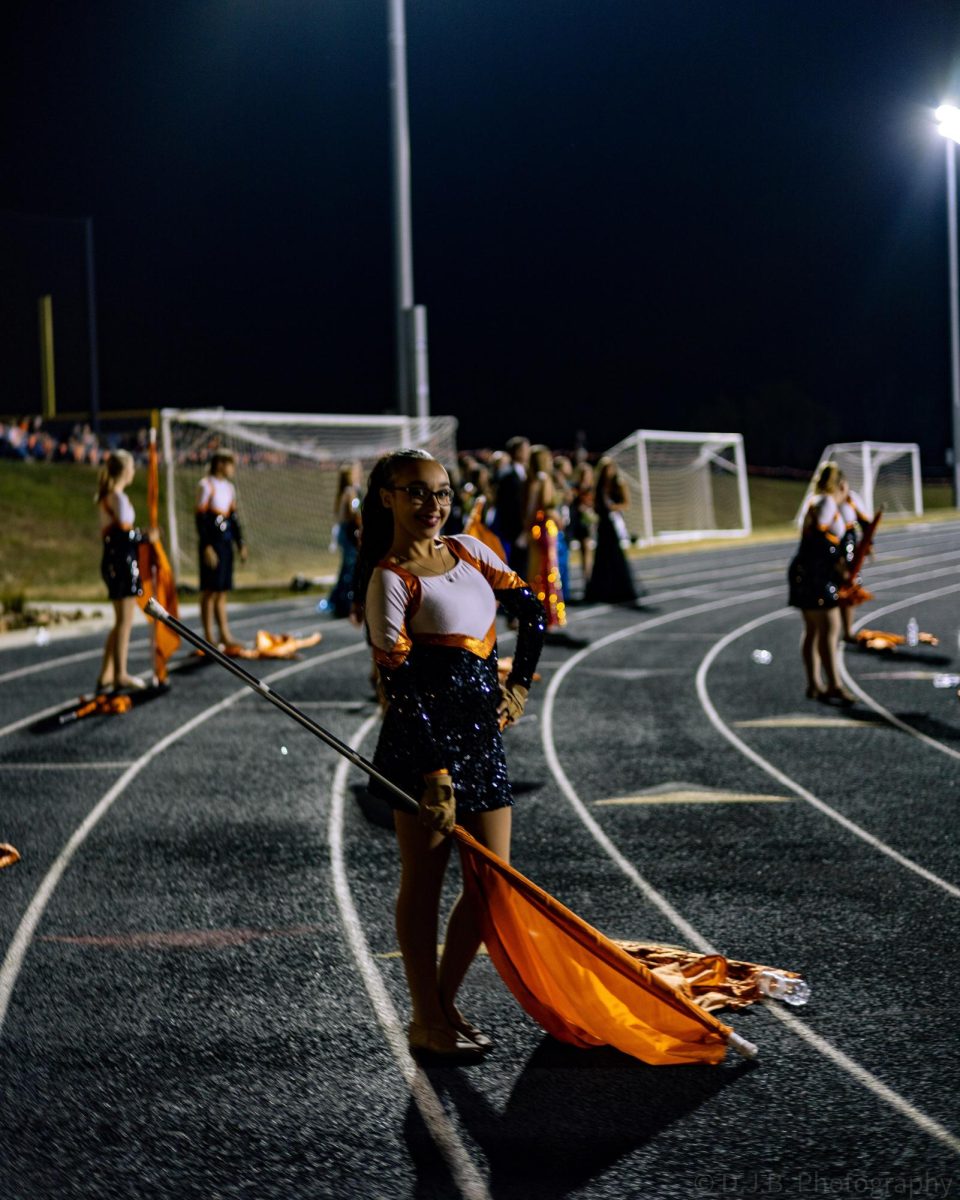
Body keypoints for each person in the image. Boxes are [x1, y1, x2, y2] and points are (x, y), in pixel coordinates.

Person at [356, 449, 545, 1061]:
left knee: (494, 885)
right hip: (422, 747)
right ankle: (425, 1017)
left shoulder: (470, 551)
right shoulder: (389, 578)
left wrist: (518, 686)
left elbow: (534, 614)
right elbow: (403, 691)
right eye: (416, 492)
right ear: (387, 496)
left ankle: (439, 1003)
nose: (433, 505)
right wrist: (435, 772)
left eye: (441, 492)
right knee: (426, 880)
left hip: (482, 742)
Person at [787, 462, 856, 704]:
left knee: (812, 630)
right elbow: (820, 541)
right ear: (842, 485)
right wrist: (840, 567)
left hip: (804, 572)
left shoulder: (813, 501)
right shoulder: (828, 503)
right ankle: (834, 685)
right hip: (818, 575)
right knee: (830, 631)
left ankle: (814, 684)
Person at [95, 450, 154, 692]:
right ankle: (120, 674)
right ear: (124, 471)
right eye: (132, 467)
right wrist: (146, 536)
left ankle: (107, 673)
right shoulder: (116, 498)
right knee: (125, 622)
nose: (134, 472)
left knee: (121, 621)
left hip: (116, 560)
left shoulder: (111, 497)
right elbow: (121, 535)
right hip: (120, 560)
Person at [196, 448, 247, 651]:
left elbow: (233, 519)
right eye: (230, 463)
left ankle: (224, 634)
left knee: (222, 590)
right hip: (213, 543)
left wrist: (240, 543)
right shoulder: (206, 485)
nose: (233, 468)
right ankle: (209, 637)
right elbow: (201, 518)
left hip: (225, 543)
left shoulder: (229, 487)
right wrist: (207, 545)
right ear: (220, 464)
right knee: (210, 590)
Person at [584, 457, 639, 604]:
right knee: (602, 557)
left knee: (615, 556)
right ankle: (601, 589)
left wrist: (612, 507)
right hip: (602, 524)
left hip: (613, 523)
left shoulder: (618, 483)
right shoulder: (599, 486)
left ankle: (619, 589)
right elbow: (594, 504)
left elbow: (626, 503)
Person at [524, 444, 567, 629]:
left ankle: (543, 614)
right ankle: (549, 615)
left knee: (541, 572)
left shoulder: (533, 480)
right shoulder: (543, 479)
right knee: (547, 572)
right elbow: (541, 507)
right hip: (545, 529)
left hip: (539, 528)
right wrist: (556, 515)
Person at [326, 461, 362, 618]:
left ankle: (336, 600)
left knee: (346, 567)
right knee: (349, 567)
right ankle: (343, 603)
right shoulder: (350, 493)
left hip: (342, 532)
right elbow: (354, 513)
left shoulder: (342, 493)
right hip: (348, 533)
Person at [491, 436, 530, 577]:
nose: (528, 453)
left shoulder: (526, 472)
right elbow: (508, 504)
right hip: (514, 527)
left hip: (524, 526)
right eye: (525, 449)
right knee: (517, 564)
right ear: (517, 451)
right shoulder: (507, 474)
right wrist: (519, 528)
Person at [567, 461, 597, 597]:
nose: (585, 477)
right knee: (568, 551)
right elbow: (569, 499)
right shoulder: (574, 487)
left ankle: (588, 580)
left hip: (585, 523)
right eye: (583, 475)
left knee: (586, 551)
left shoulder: (592, 489)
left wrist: (589, 509)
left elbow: (594, 504)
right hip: (573, 522)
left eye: (587, 475)